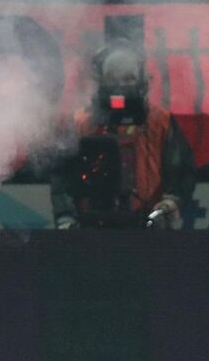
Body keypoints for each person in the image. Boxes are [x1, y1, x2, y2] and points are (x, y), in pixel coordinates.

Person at [50, 39, 196, 229]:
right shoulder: (79, 124)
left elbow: (183, 170)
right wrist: (66, 218)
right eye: (112, 78)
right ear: (101, 80)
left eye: (128, 79)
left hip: (148, 225)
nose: (120, 86)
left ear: (141, 81)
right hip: (90, 227)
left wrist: (170, 202)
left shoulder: (161, 122)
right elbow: (62, 178)